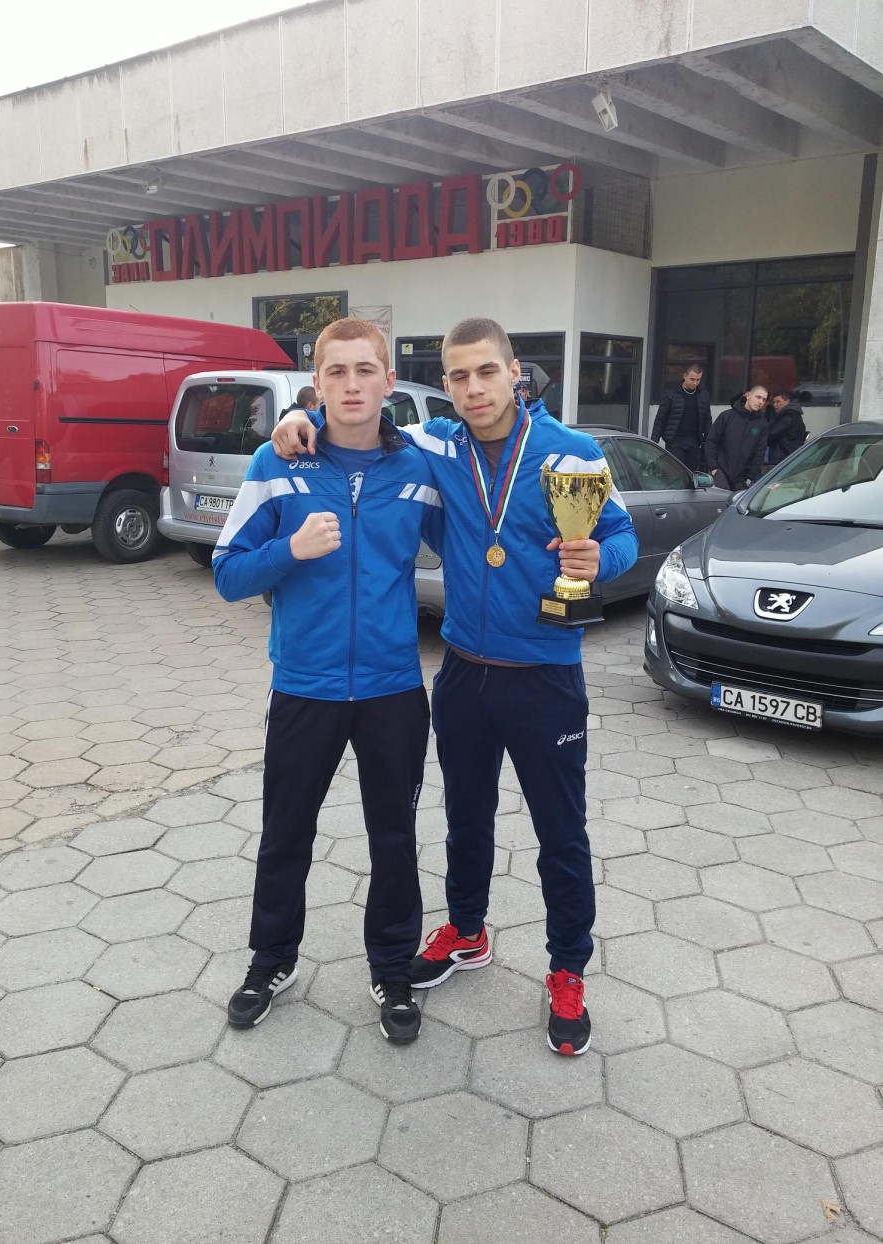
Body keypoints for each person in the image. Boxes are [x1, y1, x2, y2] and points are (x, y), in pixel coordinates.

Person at [272, 317, 638, 1056]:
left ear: (514, 373)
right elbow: (357, 420)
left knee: (561, 832)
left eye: (486, 372)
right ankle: (467, 931)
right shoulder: (434, 445)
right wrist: (294, 419)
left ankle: (567, 968)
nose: (474, 389)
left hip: (545, 675)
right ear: (445, 384)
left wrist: (600, 558)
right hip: (464, 673)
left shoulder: (571, 452)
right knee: (465, 819)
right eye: (460, 376)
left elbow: (623, 535)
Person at [213, 318, 444, 1045]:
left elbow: (474, 544)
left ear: (389, 381)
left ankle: (393, 969)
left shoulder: (418, 470)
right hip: (304, 687)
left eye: (365, 370)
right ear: (316, 384)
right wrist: (291, 547)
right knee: (285, 834)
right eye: (336, 372)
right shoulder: (275, 461)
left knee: (394, 837)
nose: (351, 385)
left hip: (392, 689)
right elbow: (228, 573)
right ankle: (270, 962)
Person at [706, 384, 770, 490]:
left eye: (764, 399)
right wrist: (713, 467)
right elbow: (711, 441)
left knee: (737, 501)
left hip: (742, 478)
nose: (760, 402)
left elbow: (759, 453)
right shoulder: (727, 416)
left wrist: (750, 477)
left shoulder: (762, 424)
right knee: (721, 499)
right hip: (720, 472)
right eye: (758, 397)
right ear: (748, 395)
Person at [650, 364, 712, 471]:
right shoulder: (671, 394)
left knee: (691, 473)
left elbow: (707, 420)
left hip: (694, 442)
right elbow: (661, 418)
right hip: (675, 441)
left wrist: (709, 442)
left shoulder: (703, 395)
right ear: (685, 376)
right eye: (692, 379)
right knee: (674, 472)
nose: (695, 383)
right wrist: (654, 442)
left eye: (698, 380)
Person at [767, 390, 807, 466]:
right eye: (774, 402)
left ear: (787, 401)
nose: (774, 405)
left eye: (778, 402)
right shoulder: (793, 414)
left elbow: (771, 434)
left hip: (783, 455)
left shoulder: (788, 416)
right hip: (789, 453)